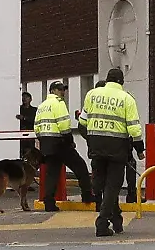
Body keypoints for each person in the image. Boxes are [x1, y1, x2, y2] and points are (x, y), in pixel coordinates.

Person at [80, 68, 143, 237]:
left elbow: (82, 122)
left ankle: (117, 219)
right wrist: (140, 149)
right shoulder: (126, 99)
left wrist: (91, 140)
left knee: (102, 185)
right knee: (113, 186)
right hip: (117, 147)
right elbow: (134, 128)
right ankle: (102, 223)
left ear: (107, 80)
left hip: (96, 146)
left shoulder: (91, 94)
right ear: (121, 82)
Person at [33, 80, 93, 210]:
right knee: (80, 167)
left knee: (52, 173)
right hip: (60, 142)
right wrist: (70, 141)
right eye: (60, 89)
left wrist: (42, 140)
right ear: (53, 91)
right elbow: (64, 125)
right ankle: (87, 196)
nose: (63, 92)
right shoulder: (59, 103)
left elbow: (36, 126)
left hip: (46, 143)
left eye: (63, 89)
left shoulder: (42, 106)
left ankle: (49, 203)